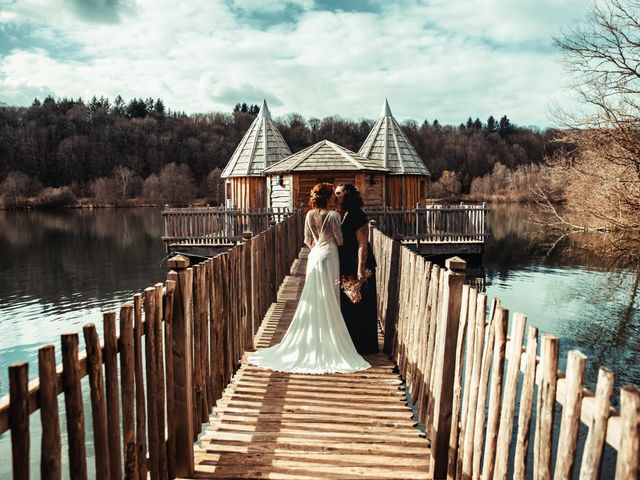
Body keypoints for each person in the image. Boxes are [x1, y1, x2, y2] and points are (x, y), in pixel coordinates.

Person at [249, 183, 370, 374]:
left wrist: (317, 247)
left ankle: (312, 337)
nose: (335, 198)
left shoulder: (308, 215)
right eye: (333, 195)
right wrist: (332, 241)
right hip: (330, 255)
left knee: (314, 296)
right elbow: (339, 240)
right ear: (328, 197)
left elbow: (306, 239)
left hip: (314, 256)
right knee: (329, 296)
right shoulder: (333, 216)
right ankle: (330, 339)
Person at [335, 184, 379, 354]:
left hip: (359, 265)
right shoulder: (344, 214)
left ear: (347, 195)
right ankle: (351, 343)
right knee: (349, 304)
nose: (336, 196)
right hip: (347, 262)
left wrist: (360, 269)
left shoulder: (358, 215)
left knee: (361, 304)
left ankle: (364, 346)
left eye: (338, 193)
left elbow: (362, 244)